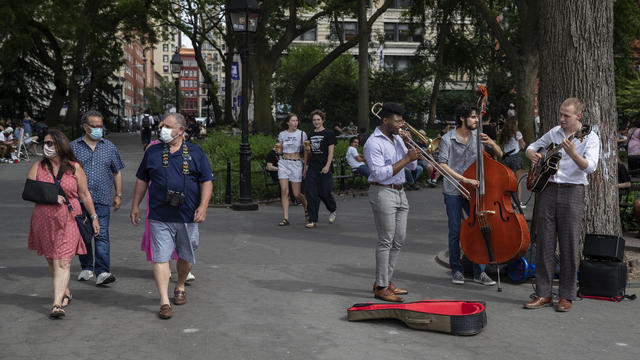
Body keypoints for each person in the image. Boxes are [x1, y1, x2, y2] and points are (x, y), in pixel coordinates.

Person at [130, 113, 213, 319]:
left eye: (167, 126)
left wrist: (203, 206)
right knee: (160, 258)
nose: (162, 129)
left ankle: (181, 284)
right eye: (161, 125)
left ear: (181, 131)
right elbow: (142, 180)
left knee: (186, 255)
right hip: (159, 214)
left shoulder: (195, 152)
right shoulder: (153, 152)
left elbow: (207, 181)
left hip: (187, 215)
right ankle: (164, 301)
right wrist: (135, 206)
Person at [524, 98, 600, 312]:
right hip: (548, 189)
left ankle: (567, 295)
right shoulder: (555, 131)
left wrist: (574, 153)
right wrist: (533, 155)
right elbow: (532, 147)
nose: (562, 119)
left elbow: (591, 167)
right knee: (545, 244)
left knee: (568, 244)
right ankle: (543, 293)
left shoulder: (590, 137)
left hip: (573, 190)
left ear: (578, 116)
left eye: (566, 116)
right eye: (561, 114)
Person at [27, 129, 100, 318]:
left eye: (50, 143)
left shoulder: (74, 168)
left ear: (61, 145)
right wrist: (52, 196)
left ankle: (56, 304)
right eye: (45, 143)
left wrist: (93, 217)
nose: (46, 147)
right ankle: (65, 291)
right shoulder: (38, 167)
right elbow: (28, 192)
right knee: (52, 259)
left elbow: (84, 194)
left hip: (69, 219)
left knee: (63, 261)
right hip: (44, 220)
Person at [438, 102, 501, 286]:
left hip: (475, 191)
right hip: (453, 190)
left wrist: (492, 143)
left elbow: (499, 154)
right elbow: (442, 165)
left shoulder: (479, 137)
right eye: (473, 117)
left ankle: (479, 272)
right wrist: (464, 179)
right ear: (462, 118)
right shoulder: (447, 139)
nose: (476, 120)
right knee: (455, 231)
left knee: (479, 230)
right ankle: (456, 270)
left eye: (477, 116)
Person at [364, 102, 419, 302]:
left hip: (400, 192)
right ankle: (380, 287)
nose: (400, 125)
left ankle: (385, 280)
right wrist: (405, 159)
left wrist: (411, 146)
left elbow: (412, 166)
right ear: (385, 120)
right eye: (397, 121)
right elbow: (379, 174)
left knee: (399, 239)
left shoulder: (398, 139)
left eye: (402, 121)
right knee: (386, 240)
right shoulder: (373, 143)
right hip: (383, 192)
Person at [71, 110, 125, 286]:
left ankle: (102, 271)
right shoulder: (73, 147)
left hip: (102, 198)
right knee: (84, 234)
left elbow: (117, 171)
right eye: (95, 126)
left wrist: (118, 194)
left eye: (101, 126)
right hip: (79, 200)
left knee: (101, 234)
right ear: (85, 127)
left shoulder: (109, 147)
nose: (98, 129)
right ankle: (87, 267)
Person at [140, 135, 196, 282]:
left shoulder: (188, 149)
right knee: (161, 234)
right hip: (158, 196)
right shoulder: (152, 148)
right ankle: (165, 265)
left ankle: (182, 267)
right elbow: (144, 176)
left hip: (182, 200)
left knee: (182, 234)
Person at [304, 109, 337, 228]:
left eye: (318, 119)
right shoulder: (310, 134)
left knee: (325, 192)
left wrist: (327, 166)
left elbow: (331, 152)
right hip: (312, 167)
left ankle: (332, 209)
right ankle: (312, 220)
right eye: (314, 120)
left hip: (325, 167)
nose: (316, 122)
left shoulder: (329, 133)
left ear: (322, 120)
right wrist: (305, 168)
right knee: (311, 193)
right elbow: (307, 153)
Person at [276, 113, 308, 226]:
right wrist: (278, 149)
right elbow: (279, 150)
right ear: (288, 122)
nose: (295, 123)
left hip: (296, 163)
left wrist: (305, 167)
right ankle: (285, 218)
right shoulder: (282, 134)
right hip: (284, 162)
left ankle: (306, 207)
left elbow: (306, 151)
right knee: (284, 191)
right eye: (293, 121)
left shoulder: (302, 134)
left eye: (297, 120)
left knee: (296, 194)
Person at [499, 116, 527, 205]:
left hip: (506, 158)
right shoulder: (517, 133)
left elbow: (502, 144)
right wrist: (523, 144)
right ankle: (518, 202)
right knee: (518, 181)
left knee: (508, 181)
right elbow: (523, 145)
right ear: (515, 123)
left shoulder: (504, 133)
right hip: (516, 157)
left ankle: (507, 201)